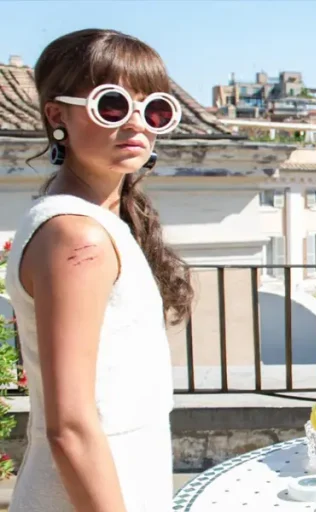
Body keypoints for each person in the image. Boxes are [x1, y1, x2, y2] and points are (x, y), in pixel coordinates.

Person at [5, 29, 192, 511]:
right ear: (56, 116)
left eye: (154, 110)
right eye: (111, 105)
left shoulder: (91, 222)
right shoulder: (77, 235)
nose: (137, 124)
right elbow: (69, 426)